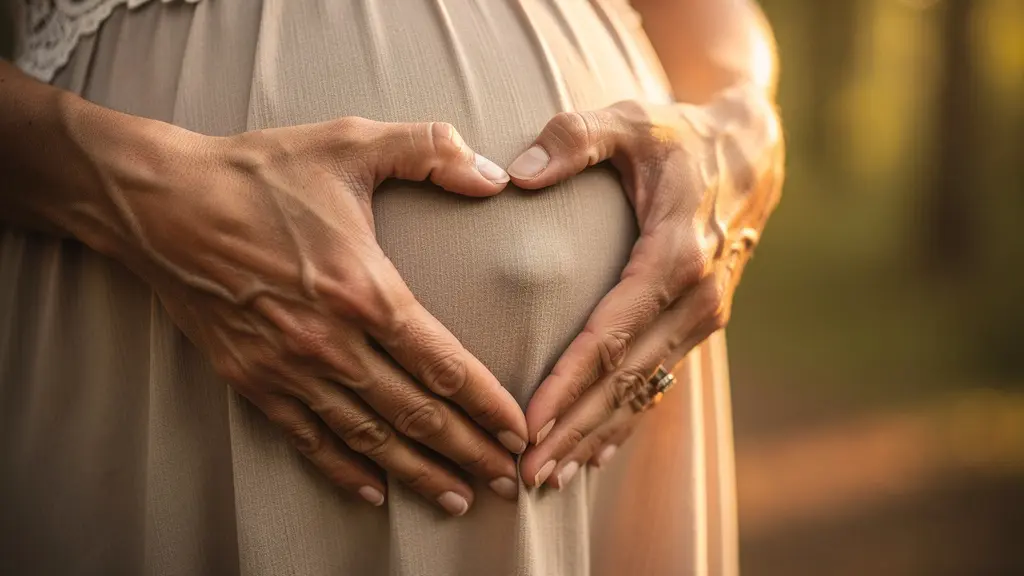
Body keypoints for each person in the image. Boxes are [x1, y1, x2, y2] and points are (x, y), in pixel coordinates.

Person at [0, 0, 783, 574]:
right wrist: (139, 192)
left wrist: (744, 128)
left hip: (637, 359)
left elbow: (712, 25)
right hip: (156, 316)